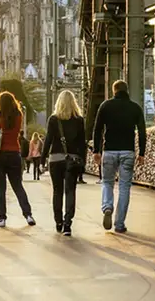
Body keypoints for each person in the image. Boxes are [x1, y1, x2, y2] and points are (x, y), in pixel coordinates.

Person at [92, 80, 146, 233]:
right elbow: (142, 131)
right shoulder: (135, 107)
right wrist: (141, 153)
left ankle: (107, 207)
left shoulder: (105, 106)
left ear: (113, 90)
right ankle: (120, 224)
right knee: (124, 187)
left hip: (109, 151)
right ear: (126, 90)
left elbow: (97, 129)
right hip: (128, 152)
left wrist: (96, 150)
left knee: (107, 182)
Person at [0, 92, 35, 228]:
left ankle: (1, 218)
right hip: (14, 154)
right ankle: (28, 215)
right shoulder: (18, 115)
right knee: (18, 186)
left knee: (0, 187)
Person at [42, 90, 87, 236]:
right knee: (70, 191)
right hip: (72, 160)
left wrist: (43, 159)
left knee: (57, 191)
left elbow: (48, 140)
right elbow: (82, 143)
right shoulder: (79, 120)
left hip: (55, 159)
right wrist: (83, 162)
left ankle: (58, 222)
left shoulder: (53, 119)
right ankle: (68, 224)